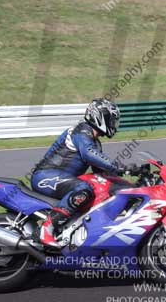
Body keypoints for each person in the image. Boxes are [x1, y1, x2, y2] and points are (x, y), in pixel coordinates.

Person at [31, 98, 133, 247]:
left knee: (101, 189)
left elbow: (103, 173)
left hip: (61, 178)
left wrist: (130, 184)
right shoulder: (82, 131)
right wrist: (120, 166)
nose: (113, 125)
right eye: (111, 120)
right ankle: (47, 228)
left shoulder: (94, 141)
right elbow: (89, 154)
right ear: (100, 116)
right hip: (45, 175)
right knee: (84, 188)